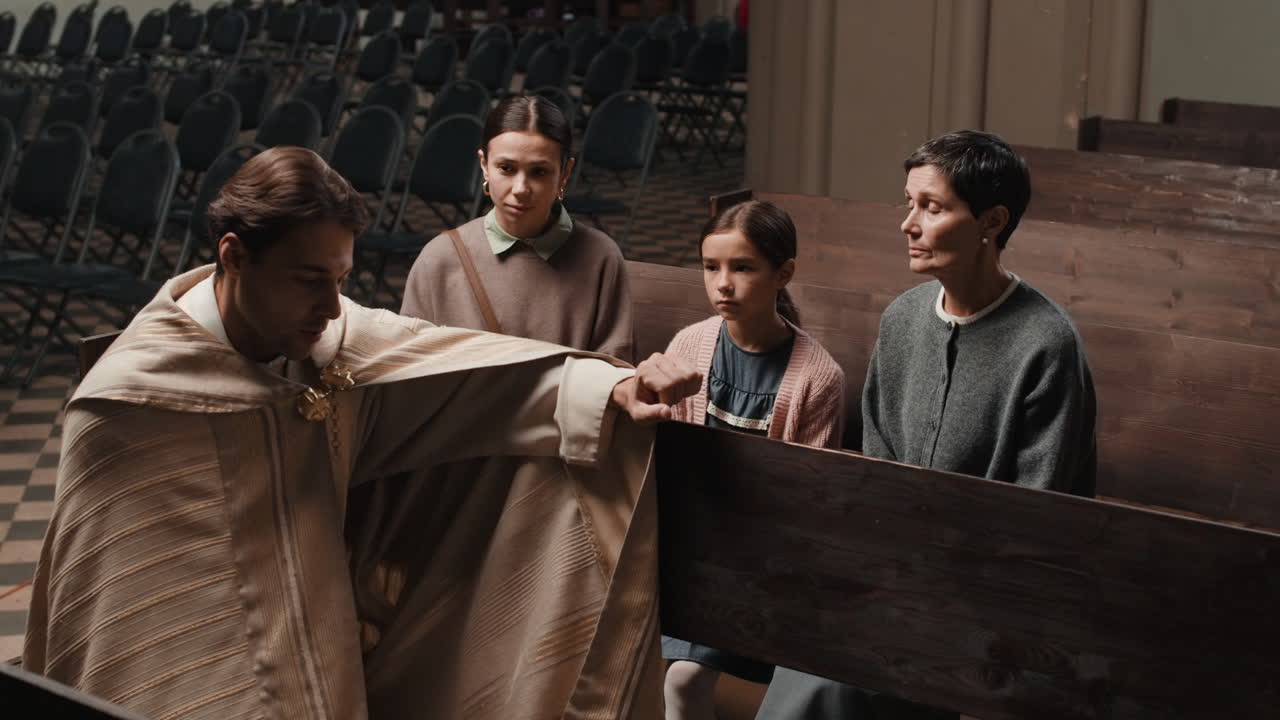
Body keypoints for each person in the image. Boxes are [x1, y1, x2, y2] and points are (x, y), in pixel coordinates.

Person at [22, 146, 700, 720]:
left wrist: (608, 388)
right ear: (233, 256)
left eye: (342, 280)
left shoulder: (331, 333)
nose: (329, 307)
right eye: (309, 281)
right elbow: (115, 606)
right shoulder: (127, 405)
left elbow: (471, 382)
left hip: (323, 652)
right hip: (188, 679)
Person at [757, 130, 1097, 718]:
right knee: (809, 643)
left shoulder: (1046, 344)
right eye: (908, 203)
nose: (907, 224)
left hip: (993, 594)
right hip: (896, 570)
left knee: (837, 682)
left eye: (932, 208)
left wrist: (929, 579)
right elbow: (878, 460)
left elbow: (1042, 514)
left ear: (991, 220)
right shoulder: (904, 318)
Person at [660, 200, 846, 720]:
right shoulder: (690, 345)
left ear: (782, 273)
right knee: (673, 677)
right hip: (688, 549)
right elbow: (668, 461)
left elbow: (808, 499)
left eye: (742, 268)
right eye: (710, 267)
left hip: (761, 562)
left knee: (684, 678)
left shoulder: (817, 376)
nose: (723, 284)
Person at [401, 94, 634, 362]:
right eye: (506, 168)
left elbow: (614, 373)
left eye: (539, 172)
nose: (520, 189)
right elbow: (409, 370)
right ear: (484, 166)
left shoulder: (600, 257)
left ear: (565, 173)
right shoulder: (440, 258)